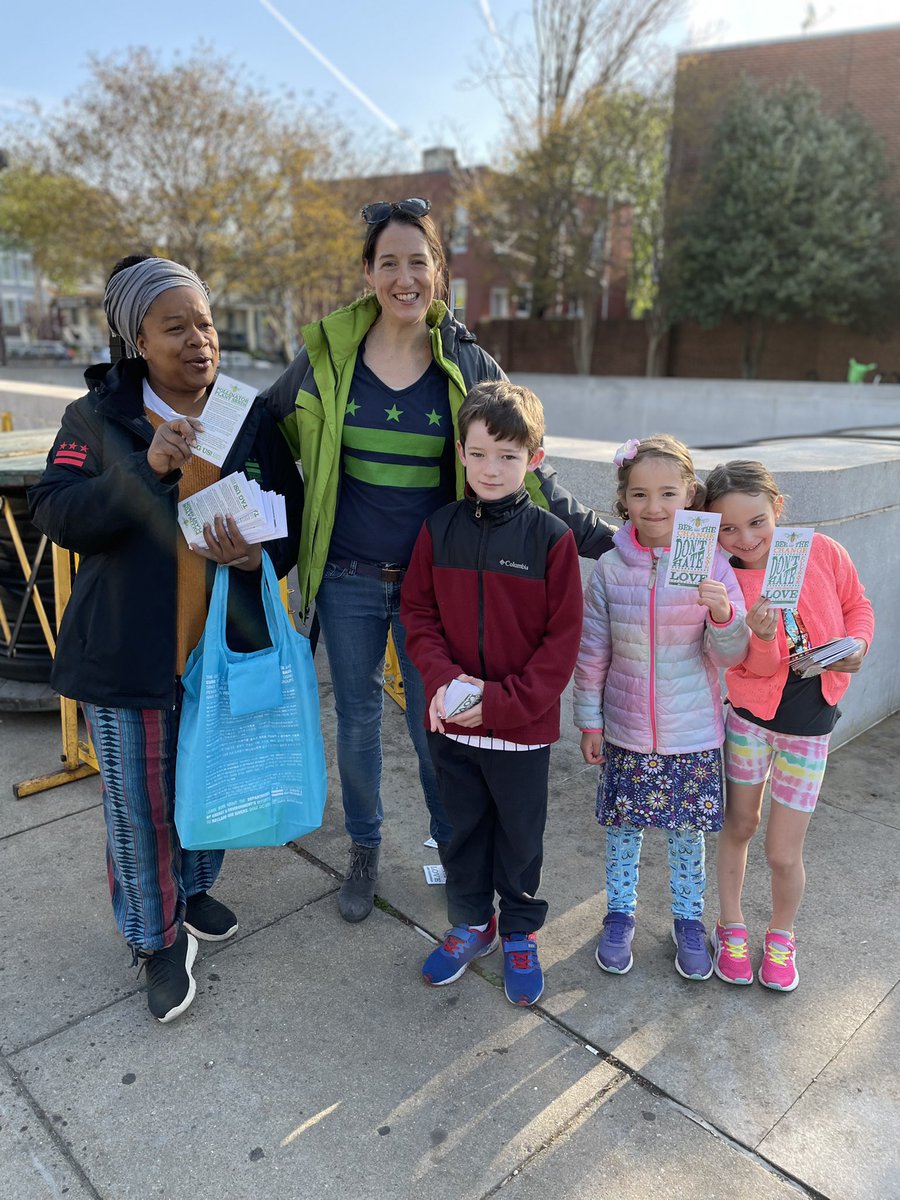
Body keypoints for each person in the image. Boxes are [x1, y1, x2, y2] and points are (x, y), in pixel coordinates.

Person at [260, 197, 614, 924]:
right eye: (388, 263)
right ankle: (364, 848)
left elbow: (525, 463)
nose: (404, 278)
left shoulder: (466, 362)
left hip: (441, 585)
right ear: (368, 273)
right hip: (348, 578)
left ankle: (456, 850)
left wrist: (613, 540)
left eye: (418, 262)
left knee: (440, 722)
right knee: (357, 721)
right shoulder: (328, 357)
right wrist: (231, 513)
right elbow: (263, 432)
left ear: (439, 272)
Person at [29, 255, 302, 1024]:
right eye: (175, 327)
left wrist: (258, 557)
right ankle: (155, 940)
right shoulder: (97, 418)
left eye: (205, 324)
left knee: (212, 786)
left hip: (222, 650)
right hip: (128, 653)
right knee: (139, 808)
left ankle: (194, 888)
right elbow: (57, 512)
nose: (198, 340)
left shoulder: (246, 414)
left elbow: (289, 511)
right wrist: (145, 467)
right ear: (138, 341)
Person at [400, 381, 583, 1006]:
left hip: (521, 731)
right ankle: (473, 923)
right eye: (478, 454)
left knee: (520, 839)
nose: (491, 468)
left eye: (508, 456)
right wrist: (442, 680)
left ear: (534, 458)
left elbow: (561, 644)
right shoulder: (439, 529)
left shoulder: (552, 539)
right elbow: (418, 614)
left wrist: (503, 703)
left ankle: (520, 932)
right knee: (461, 831)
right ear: (460, 453)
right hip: (452, 723)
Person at [573, 435, 749, 981]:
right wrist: (590, 721)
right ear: (623, 499)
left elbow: (731, 655)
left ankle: (688, 921)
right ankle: (619, 914)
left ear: (690, 495)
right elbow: (593, 651)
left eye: (668, 493)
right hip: (625, 730)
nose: (654, 507)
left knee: (686, 835)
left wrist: (723, 616)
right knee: (623, 829)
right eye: (640, 494)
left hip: (691, 732)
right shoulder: (609, 567)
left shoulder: (714, 565)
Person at [705, 460, 874, 991]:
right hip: (750, 720)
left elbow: (857, 605)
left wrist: (858, 644)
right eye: (728, 528)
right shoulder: (727, 578)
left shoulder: (821, 551)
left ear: (778, 508)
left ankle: (782, 934)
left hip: (810, 725)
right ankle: (730, 924)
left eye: (757, 521)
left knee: (783, 851)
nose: (745, 538)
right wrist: (759, 636)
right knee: (739, 825)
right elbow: (752, 668)